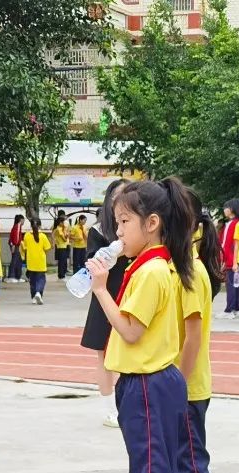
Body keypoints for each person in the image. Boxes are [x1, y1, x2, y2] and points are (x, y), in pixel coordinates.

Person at [86, 177, 195, 473]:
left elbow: (130, 331)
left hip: (148, 385)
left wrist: (100, 290)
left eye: (125, 222)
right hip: (152, 384)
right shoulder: (152, 265)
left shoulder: (150, 270)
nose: (119, 233)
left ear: (152, 223)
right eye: (117, 223)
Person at [173, 191, 222, 473]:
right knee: (173, 465)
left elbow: (192, 338)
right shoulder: (178, 265)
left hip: (186, 387)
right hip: (176, 385)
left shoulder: (191, 271)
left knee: (189, 465)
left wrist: (176, 388)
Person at [80, 178, 131, 428]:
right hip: (106, 295)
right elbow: (92, 265)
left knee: (128, 352)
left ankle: (127, 406)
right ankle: (110, 408)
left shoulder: (141, 229)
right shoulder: (98, 231)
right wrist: (116, 249)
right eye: (118, 197)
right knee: (104, 354)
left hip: (132, 295)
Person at [218, 199, 239, 319]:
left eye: (226, 207)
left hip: (231, 260)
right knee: (237, 285)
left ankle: (230, 309)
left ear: (231, 209)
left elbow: (225, 244)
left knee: (231, 285)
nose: (224, 210)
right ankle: (236, 308)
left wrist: (223, 260)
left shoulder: (231, 224)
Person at [21, 216, 51, 305]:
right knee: (41, 279)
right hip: (40, 262)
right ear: (40, 225)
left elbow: (25, 247)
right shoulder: (43, 236)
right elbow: (47, 248)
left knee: (32, 280)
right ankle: (39, 293)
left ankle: (33, 297)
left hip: (30, 262)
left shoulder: (27, 235)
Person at [7, 214, 25, 283]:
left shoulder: (18, 227)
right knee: (14, 261)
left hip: (16, 245)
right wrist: (14, 245)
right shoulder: (17, 226)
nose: (24, 222)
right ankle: (11, 276)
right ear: (21, 220)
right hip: (15, 245)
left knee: (18, 261)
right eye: (23, 220)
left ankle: (18, 276)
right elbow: (16, 238)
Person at [52, 210, 70, 279]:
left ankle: (61, 274)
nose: (64, 224)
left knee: (62, 261)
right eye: (63, 222)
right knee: (62, 261)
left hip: (62, 246)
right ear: (60, 222)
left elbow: (53, 235)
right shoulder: (59, 229)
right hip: (61, 246)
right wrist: (67, 235)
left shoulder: (58, 228)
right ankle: (61, 275)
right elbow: (64, 239)